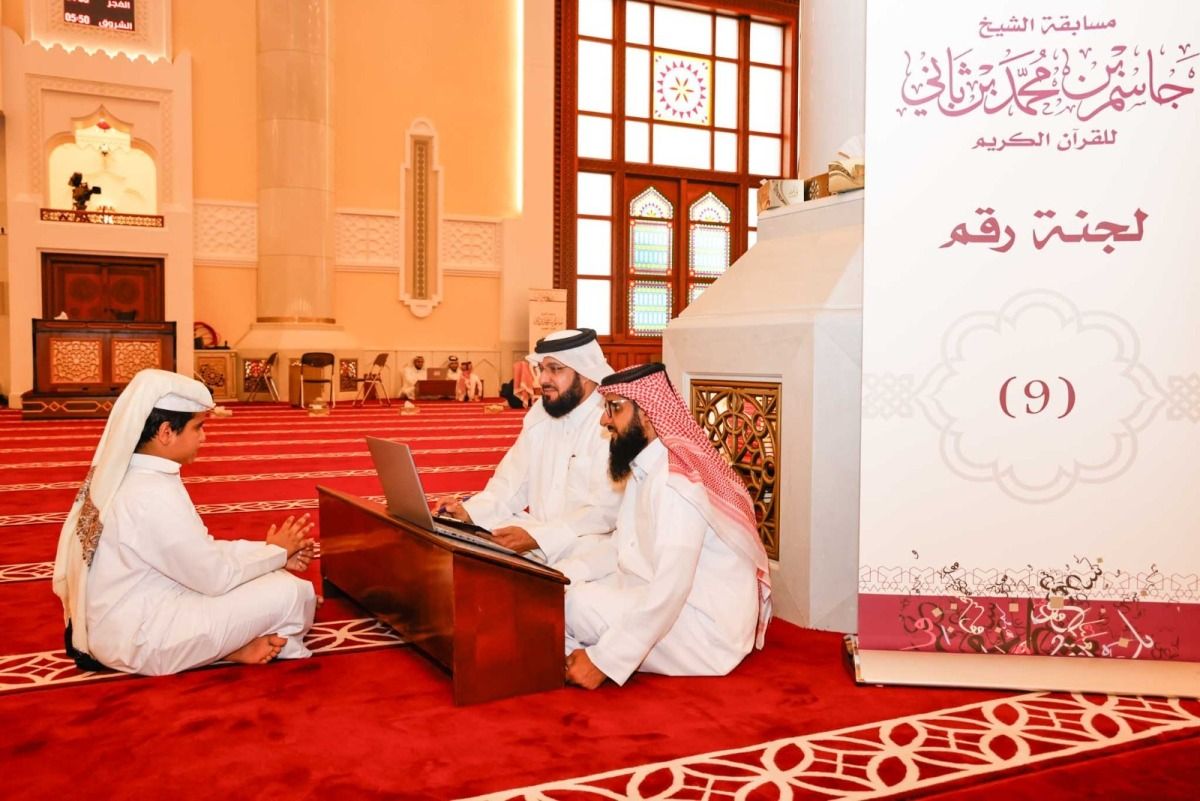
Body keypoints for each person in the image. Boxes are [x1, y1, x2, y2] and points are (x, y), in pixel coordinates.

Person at [52, 369, 319, 677]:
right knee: (294, 593)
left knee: (273, 580)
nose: (204, 437)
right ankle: (228, 647)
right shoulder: (149, 493)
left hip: (131, 613)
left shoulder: (135, 475)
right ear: (166, 432)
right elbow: (214, 576)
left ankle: (230, 645)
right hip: (140, 638)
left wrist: (272, 551)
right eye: (198, 426)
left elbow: (200, 551)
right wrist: (276, 554)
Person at [558, 362, 772, 690]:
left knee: (575, 605)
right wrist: (558, 576)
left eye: (614, 408)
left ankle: (583, 655)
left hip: (705, 631)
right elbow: (622, 547)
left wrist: (604, 661)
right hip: (671, 602)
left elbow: (670, 590)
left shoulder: (677, 485)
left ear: (646, 414)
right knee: (562, 593)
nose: (604, 420)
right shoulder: (649, 467)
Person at [437, 329, 623, 561]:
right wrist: (469, 513)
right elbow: (511, 483)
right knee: (477, 532)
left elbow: (606, 511)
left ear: (585, 373)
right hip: (537, 534)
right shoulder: (541, 414)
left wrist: (538, 538)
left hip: (587, 545)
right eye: (542, 369)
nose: (542, 379)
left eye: (555, 369)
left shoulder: (613, 422)